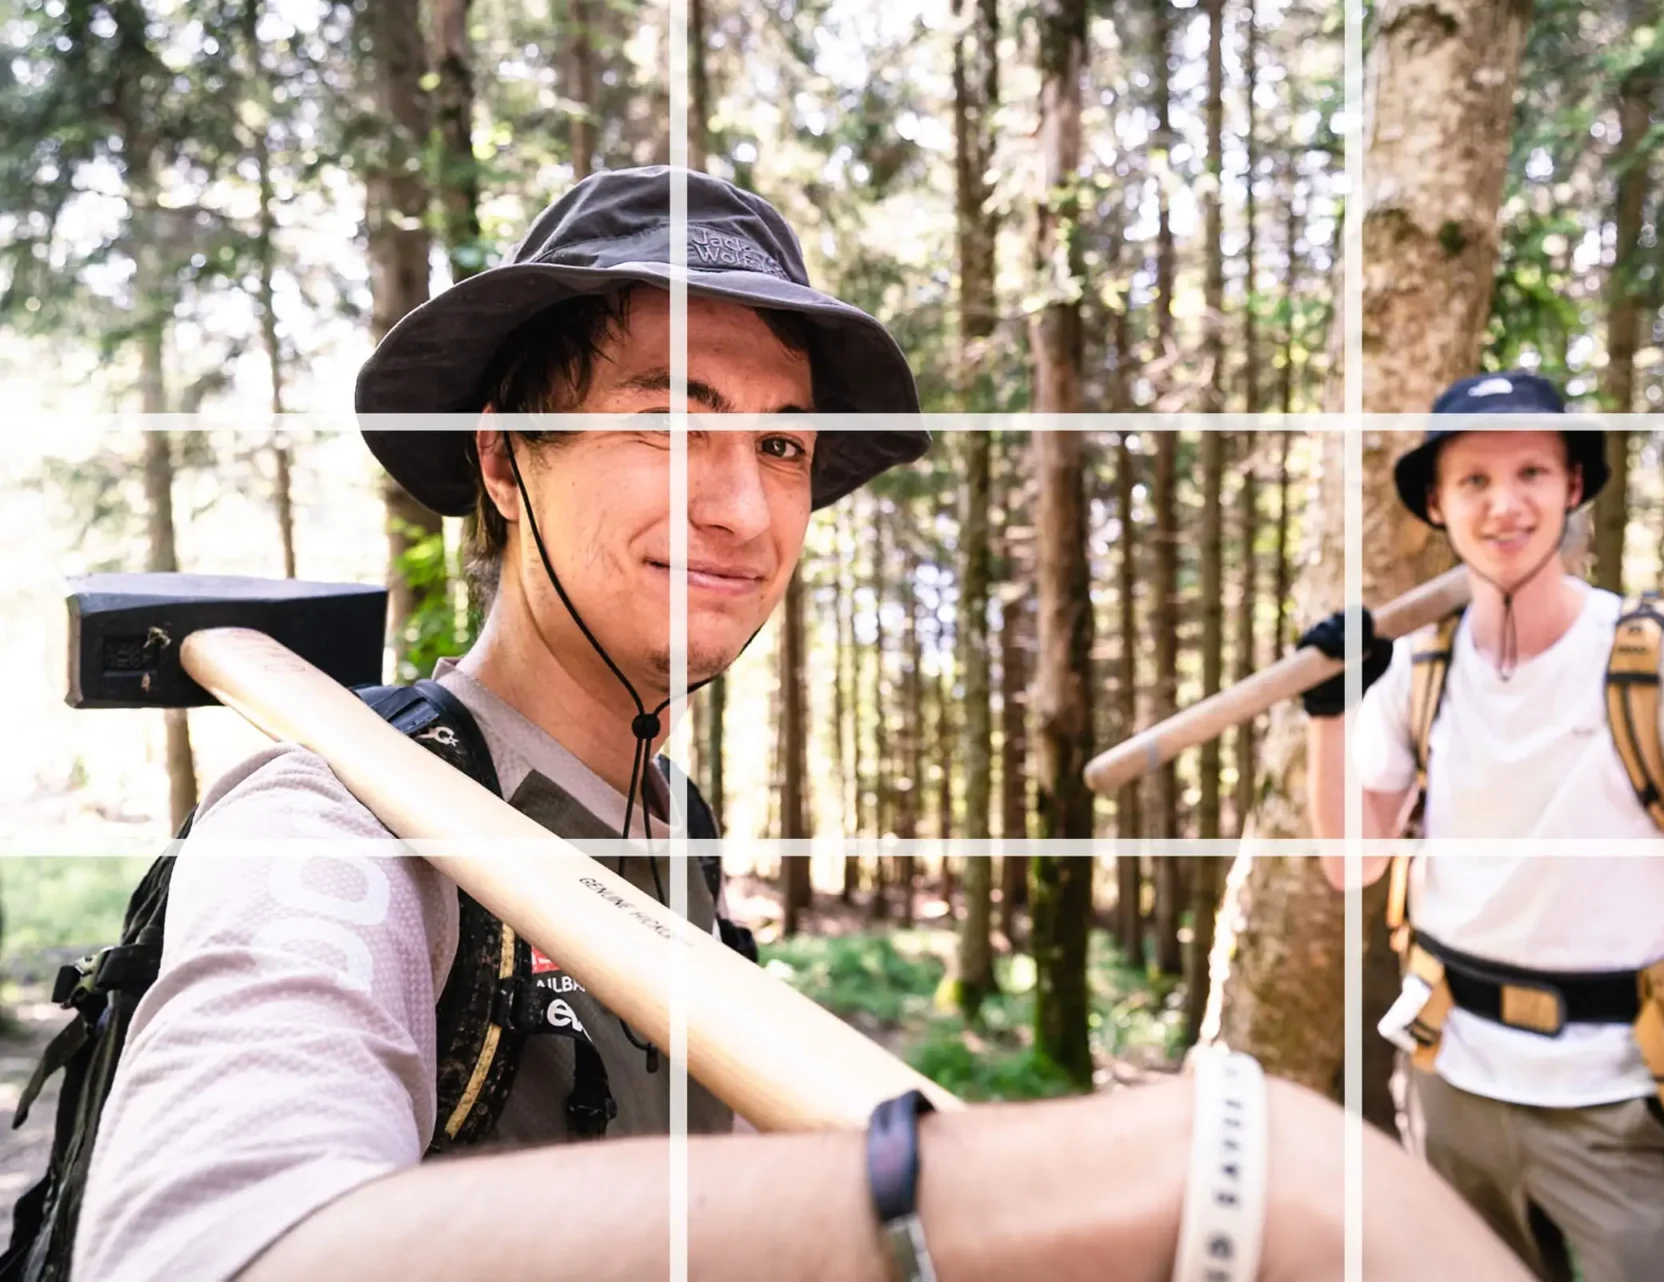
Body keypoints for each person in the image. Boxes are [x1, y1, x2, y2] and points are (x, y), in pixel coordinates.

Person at [60, 169, 1536, 1282]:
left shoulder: (670, 824)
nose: (746, 503)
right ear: (504, 461)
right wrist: (1166, 1171)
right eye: (672, 417)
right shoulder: (329, 824)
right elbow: (203, 1253)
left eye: (779, 442)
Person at [1296, 372, 1664, 1282]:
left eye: (1530, 471)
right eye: (1473, 481)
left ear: (1574, 487)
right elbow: (1349, 863)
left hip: (1624, 1106)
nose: (1504, 503)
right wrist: (1328, 714)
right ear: (1437, 505)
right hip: (1449, 1088)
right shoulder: (1415, 667)